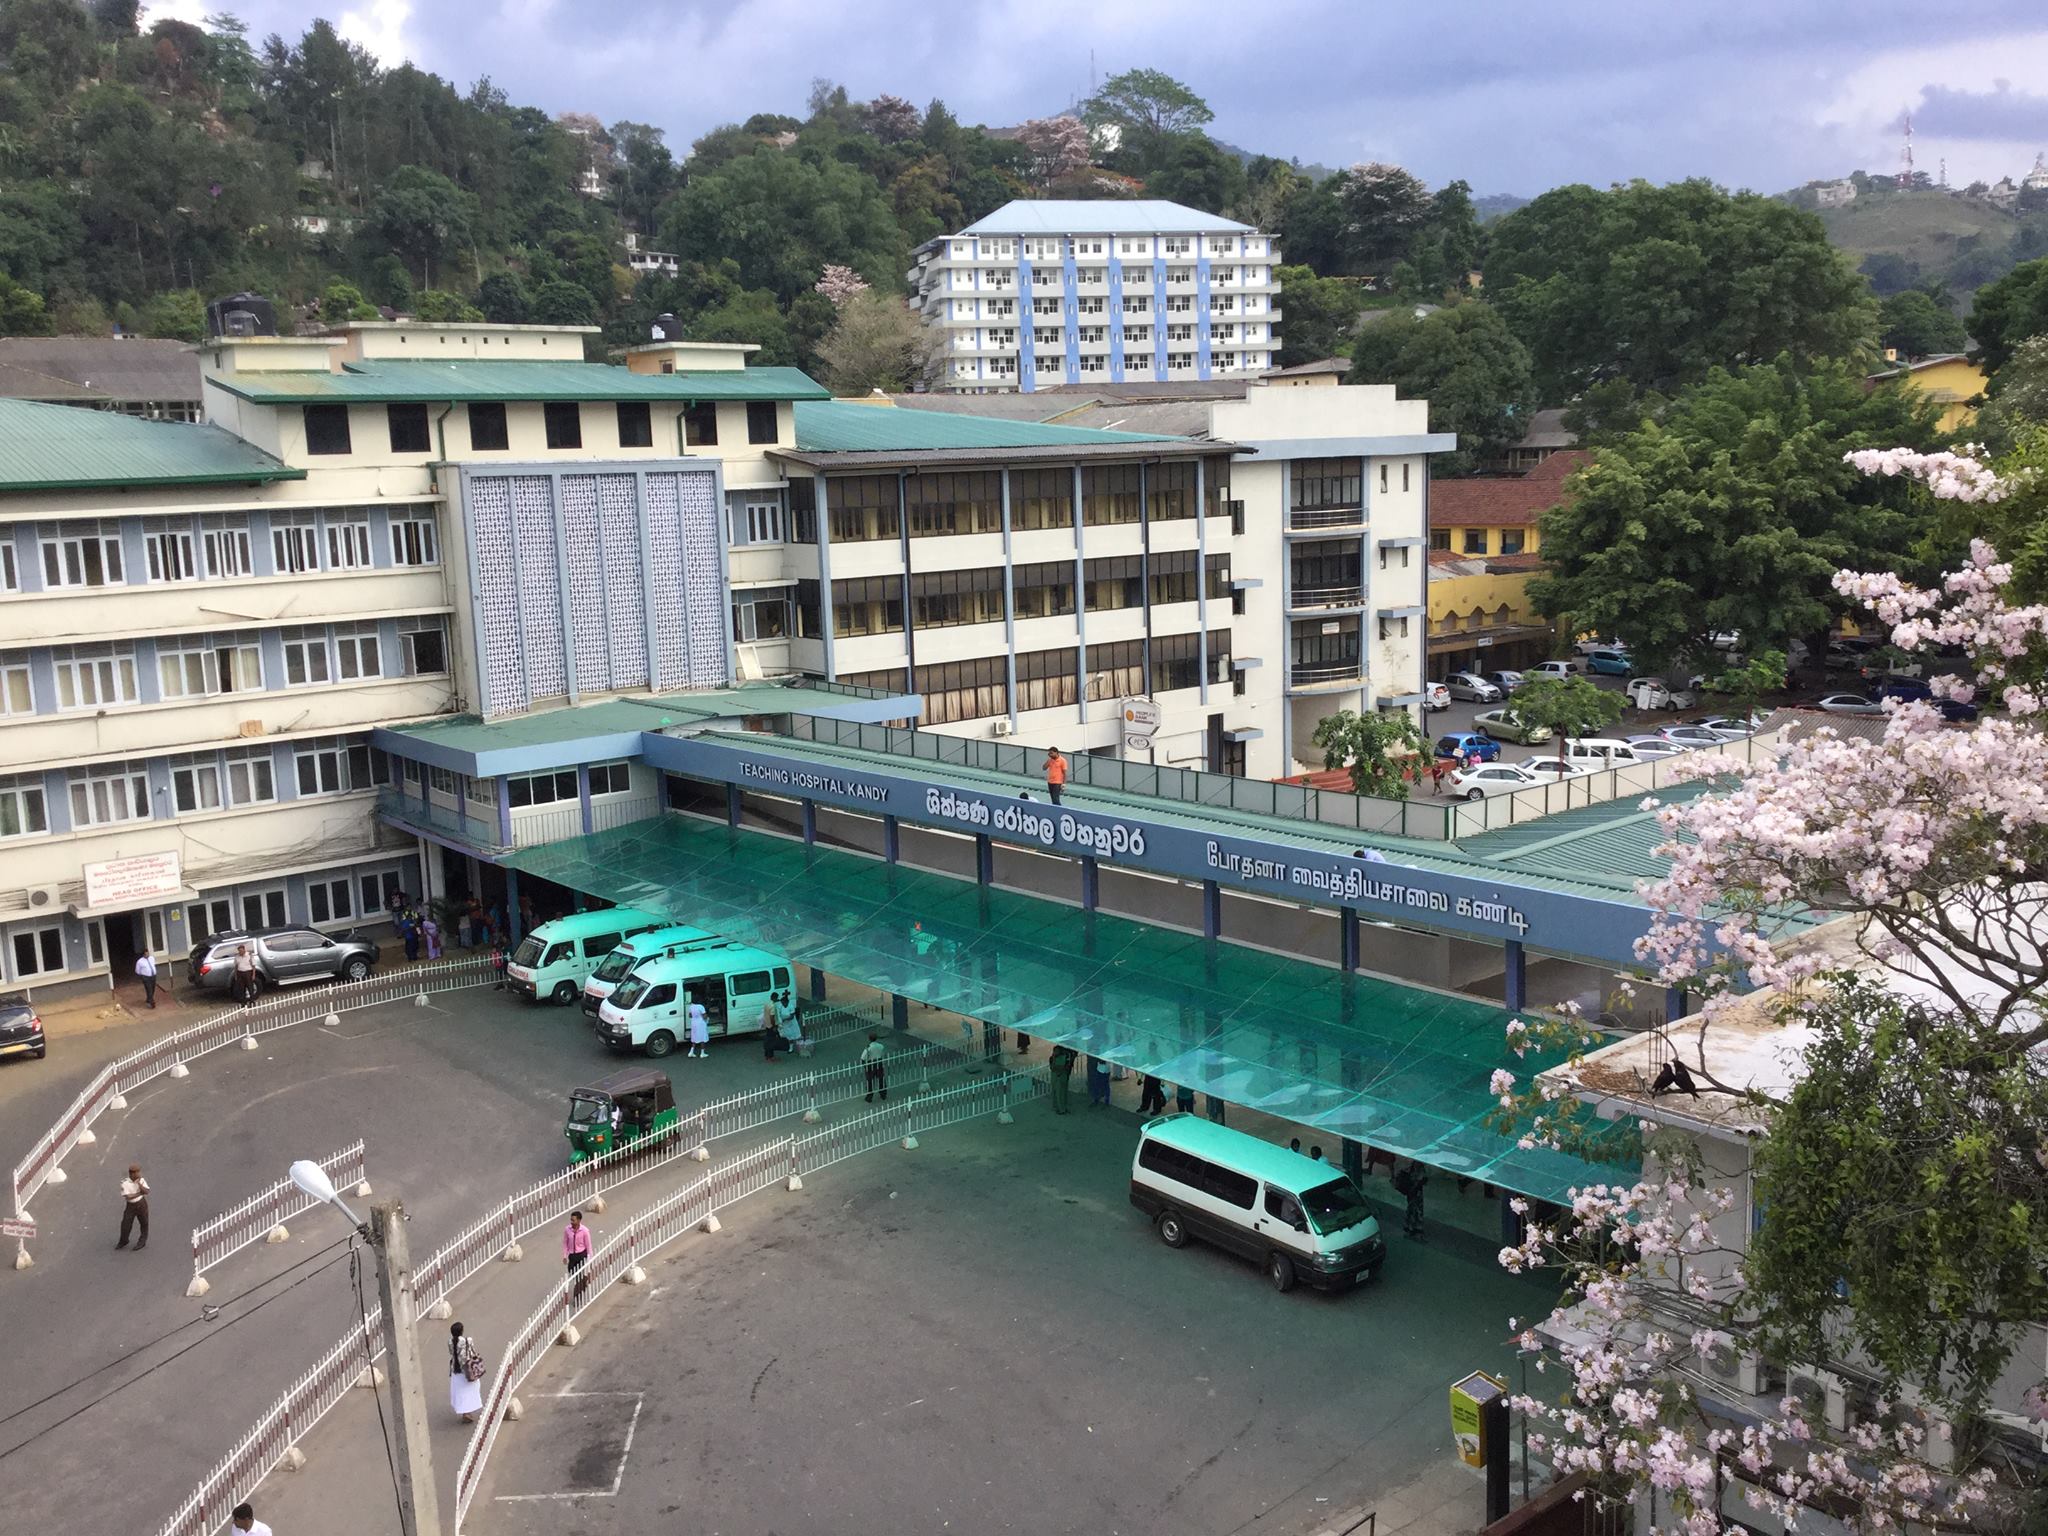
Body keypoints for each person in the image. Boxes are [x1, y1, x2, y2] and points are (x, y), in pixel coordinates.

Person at [449, 1322, 485, 1423]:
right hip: (467, 1370)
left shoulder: (450, 1342)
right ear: (461, 1331)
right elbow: (472, 1352)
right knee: (471, 1390)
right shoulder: (467, 1340)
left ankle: (465, 1412)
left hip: (455, 1371)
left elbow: (451, 1353)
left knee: (460, 1392)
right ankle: (467, 1412)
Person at [116, 1163, 149, 1250]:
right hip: (131, 1206)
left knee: (144, 1223)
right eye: (137, 1173)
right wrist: (139, 1193)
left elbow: (147, 1191)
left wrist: (139, 1185)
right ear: (131, 1174)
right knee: (125, 1224)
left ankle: (142, 1241)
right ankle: (124, 1240)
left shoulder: (141, 1180)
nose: (139, 1174)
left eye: (139, 1172)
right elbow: (128, 1196)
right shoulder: (124, 1183)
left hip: (142, 1204)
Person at [563, 1210, 592, 1302]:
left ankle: (577, 1297)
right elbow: (565, 1243)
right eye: (571, 1220)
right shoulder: (567, 1230)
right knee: (573, 1273)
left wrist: (590, 1259)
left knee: (578, 1277)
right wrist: (564, 1255)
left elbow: (588, 1246)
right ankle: (584, 1280)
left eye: (573, 1220)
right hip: (572, 1256)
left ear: (579, 1220)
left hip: (581, 1255)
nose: (571, 1222)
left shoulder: (585, 1231)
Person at [1396, 1162, 1428, 1240]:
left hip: (1412, 1193)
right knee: (1415, 1211)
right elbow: (1420, 1181)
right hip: (1415, 1193)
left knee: (1412, 1210)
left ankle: (1411, 1229)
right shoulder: (1418, 1169)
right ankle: (1415, 1230)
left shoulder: (1411, 1168)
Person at [1048, 1042, 1078, 1114]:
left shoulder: (1063, 1057)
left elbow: (1065, 1066)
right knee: (1059, 1093)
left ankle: (1059, 1107)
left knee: (1060, 1092)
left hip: (1060, 1076)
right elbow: (1054, 1067)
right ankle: (1061, 1108)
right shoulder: (1055, 1058)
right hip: (1059, 1077)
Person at [859, 1033, 888, 1102]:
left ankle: (870, 1096)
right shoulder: (881, 1046)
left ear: (869, 1039)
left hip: (871, 1064)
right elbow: (882, 1054)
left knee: (870, 1081)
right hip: (879, 1063)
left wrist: (865, 1066)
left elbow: (863, 1058)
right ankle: (883, 1094)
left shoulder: (868, 1048)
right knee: (881, 1079)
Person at [777, 991, 803, 1055]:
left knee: (796, 1035)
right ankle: (790, 1048)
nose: (783, 1004)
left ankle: (801, 1047)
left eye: (783, 1003)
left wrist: (784, 1019)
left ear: (787, 1002)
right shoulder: (781, 1006)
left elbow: (791, 1017)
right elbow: (779, 1013)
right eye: (782, 1003)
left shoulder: (791, 1006)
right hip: (785, 1024)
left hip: (792, 1023)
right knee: (789, 1037)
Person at [233, 943, 258, 1007]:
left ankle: (252, 1001)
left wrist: (253, 975)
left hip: (248, 972)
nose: (240, 952)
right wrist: (236, 975)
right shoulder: (237, 957)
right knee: (241, 988)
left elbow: (253, 965)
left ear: (244, 950)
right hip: (240, 973)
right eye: (239, 951)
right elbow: (236, 966)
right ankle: (243, 1002)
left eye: (241, 950)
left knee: (250, 987)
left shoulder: (249, 955)